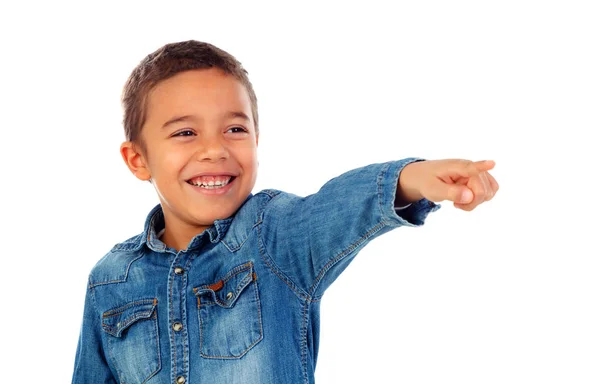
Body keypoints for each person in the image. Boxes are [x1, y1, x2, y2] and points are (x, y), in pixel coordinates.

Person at [71, 40, 499, 384]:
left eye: (235, 129)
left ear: (257, 139)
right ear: (137, 159)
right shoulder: (110, 279)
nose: (215, 149)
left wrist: (411, 179)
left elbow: (336, 208)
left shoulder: (273, 234)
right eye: (185, 132)